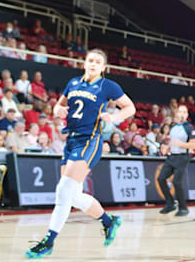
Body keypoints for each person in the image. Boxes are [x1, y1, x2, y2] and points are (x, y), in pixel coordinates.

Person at [26, 50, 133, 258]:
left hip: (90, 140)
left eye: (98, 62)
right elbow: (60, 104)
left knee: (63, 190)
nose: (93, 64)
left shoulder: (108, 86)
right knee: (72, 195)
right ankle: (109, 222)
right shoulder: (73, 83)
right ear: (84, 63)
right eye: (90, 60)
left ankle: (49, 241)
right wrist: (57, 109)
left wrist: (115, 116)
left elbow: (130, 108)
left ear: (103, 68)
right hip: (71, 140)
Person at [156, 104, 195, 217]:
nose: (182, 114)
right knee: (161, 178)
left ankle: (183, 207)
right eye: (180, 111)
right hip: (172, 157)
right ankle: (170, 203)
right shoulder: (173, 128)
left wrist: (181, 144)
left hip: (182, 157)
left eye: (184, 112)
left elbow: (194, 145)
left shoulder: (189, 128)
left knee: (176, 182)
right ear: (176, 113)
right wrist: (167, 147)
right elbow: (173, 141)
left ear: (187, 115)